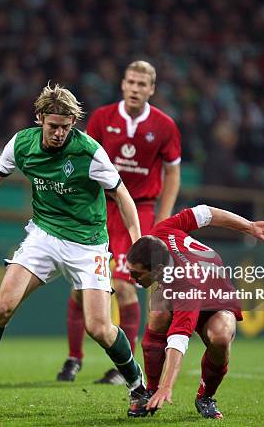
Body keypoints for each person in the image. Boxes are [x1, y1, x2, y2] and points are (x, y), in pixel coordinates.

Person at [0, 83, 148, 412]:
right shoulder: (22, 144)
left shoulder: (88, 152)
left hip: (88, 244)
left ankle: (137, 384)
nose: (58, 133)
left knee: (98, 327)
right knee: (1, 308)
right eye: (53, 126)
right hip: (44, 235)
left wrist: (137, 242)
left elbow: (123, 197)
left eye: (65, 128)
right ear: (39, 117)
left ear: (74, 124)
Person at [57, 60, 181, 384]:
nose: (136, 89)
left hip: (139, 212)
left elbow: (173, 174)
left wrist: (163, 219)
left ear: (151, 89)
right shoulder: (101, 118)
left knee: (126, 286)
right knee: (80, 289)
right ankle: (73, 359)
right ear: (122, 84)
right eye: (131, 82)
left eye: (143, 84)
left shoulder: (165, 126)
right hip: (100, 209)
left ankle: (120, 368)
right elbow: (84, 161)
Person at [124, 205, 264, 418]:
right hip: (184, 285)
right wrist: (250, 226)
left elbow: (178, 340)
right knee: (159, 312)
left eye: (136, 274)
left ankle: (205, 397)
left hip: (214, 297)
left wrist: (168, 385)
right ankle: (150, 391)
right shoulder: (159, 233)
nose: (131, 278)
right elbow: (206, 212)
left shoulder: (186, 283)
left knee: (220, 337)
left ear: (157, 269)